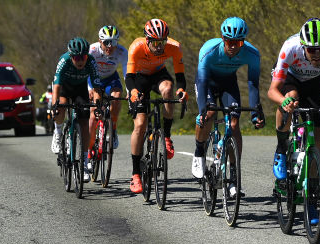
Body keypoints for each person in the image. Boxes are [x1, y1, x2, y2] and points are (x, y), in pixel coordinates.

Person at [267, 18, 320, 212]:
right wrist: (283, 102)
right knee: (291, 98)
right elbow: (272, 91)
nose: (317, 53)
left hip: (313, 83)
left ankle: (312, 191)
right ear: (303, 46)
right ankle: (281, 148)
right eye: (312, 50)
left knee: (317, 139)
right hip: (290, 78)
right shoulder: (290, 48)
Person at [191, 17, 265, 199]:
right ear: (223, 39)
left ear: (243, 41)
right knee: (208, 113)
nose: (233, 46)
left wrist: (256, 111)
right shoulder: (209, 50)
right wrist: (202, 110)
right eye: (230, 41)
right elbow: (201, 81)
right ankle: (199, 151)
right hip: (207, 82)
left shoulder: (252, 53)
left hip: (228, 83)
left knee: (233, 124)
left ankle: (233, 178)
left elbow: (253, 83)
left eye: (238, 42)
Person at [125, 18, 188, 194]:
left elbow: (180, 74)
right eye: (155, 42)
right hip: (139, 78)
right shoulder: (136, 47)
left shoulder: (174, 47)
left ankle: (166, 136)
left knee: (168, 90)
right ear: (147, 40)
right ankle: (135, 174)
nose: (159, 46)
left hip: (159, 74)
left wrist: (182, 89)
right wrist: (133, 92)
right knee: (140, 125)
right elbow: (129, 77)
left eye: (162, 42)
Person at [50, 37, 102, 181]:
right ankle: (58, 132)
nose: (80, 61)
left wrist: (98, 105)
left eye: (83, 57)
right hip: (64, 88)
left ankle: (85, 162)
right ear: (71, 56)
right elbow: (57, 86)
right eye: (77, 57)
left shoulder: (91, 61)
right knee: (59, 108)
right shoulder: (64, 60)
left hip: (80, 89)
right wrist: (54, 105)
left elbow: (97, 87)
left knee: (84, 123)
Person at [87, 25, 128, 152]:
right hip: (94, 78)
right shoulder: (92, 50)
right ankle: (88, 151)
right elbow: (84, 70)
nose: (110, 46)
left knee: (116, 97)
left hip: (111, 78)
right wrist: (89, 88)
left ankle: (113, 128)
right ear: (100, 41)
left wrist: (129, 91)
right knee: (94, 112)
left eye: (114, 42)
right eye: (106, 42)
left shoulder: (122, 52)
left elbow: (127, 73)